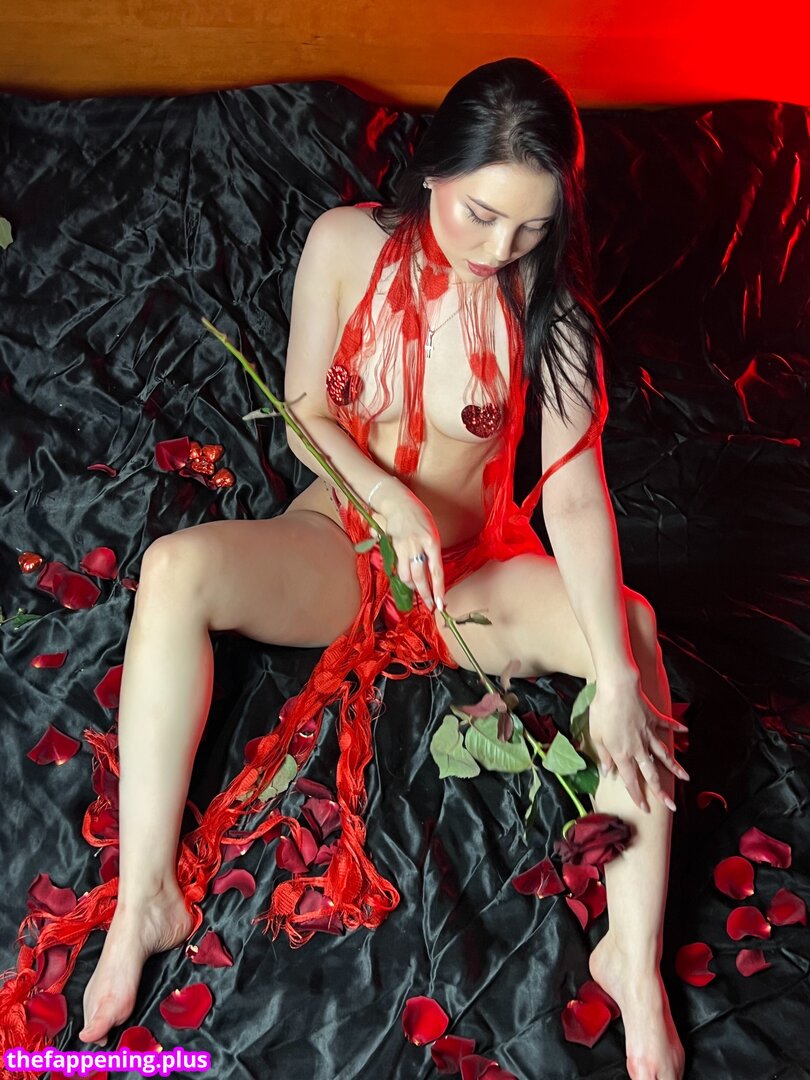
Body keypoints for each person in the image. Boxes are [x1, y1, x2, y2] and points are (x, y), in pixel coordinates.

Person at [2, 58, 687, 1080]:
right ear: (433, 171)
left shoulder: (554, 321)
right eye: (481, 215)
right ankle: (147, 895)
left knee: (630, 632)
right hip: (340, 542)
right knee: (176, 568)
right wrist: (386, 497)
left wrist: (618, 678)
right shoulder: (342, 244)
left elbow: (578, 501)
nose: (499, 250)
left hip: (472, 573)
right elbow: (304, 414)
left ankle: (630, 956)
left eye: (532, 229)